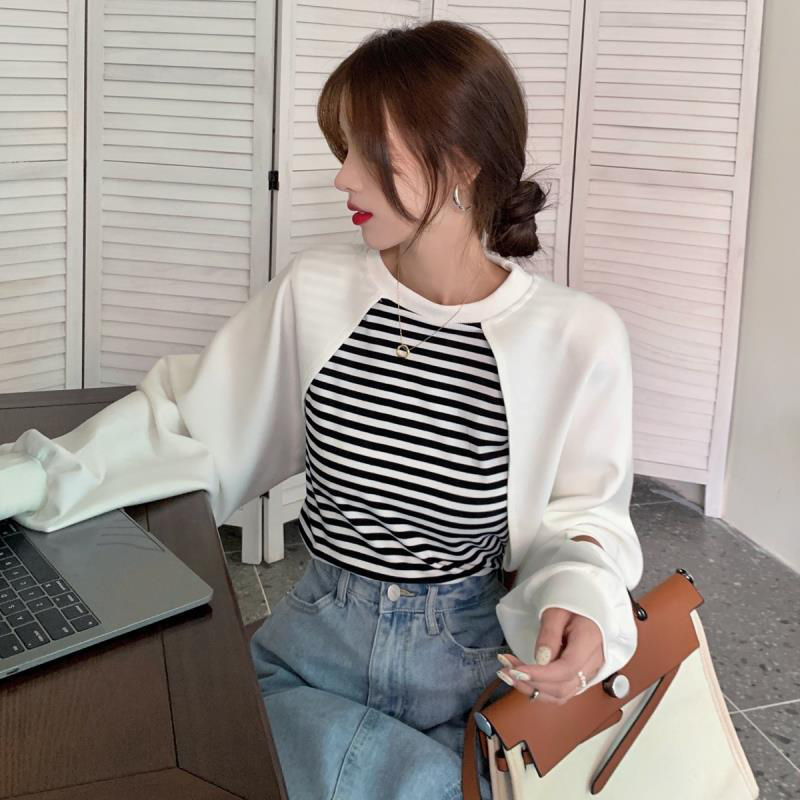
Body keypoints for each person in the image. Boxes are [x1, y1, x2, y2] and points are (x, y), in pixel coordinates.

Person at [0, 19, 644, 800]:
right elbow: (190, 418)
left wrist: (581, 597)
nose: (343, 179)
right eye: (345, 151)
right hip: (314, 650)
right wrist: (32, 478)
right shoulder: (319, 292)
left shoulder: (576, 336)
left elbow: (585, 518)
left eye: (370, 155)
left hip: (469, 674)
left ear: (463, 163)